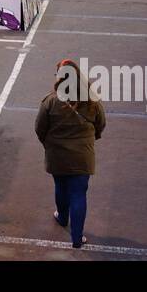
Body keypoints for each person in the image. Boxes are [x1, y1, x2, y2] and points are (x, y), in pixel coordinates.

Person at [35, 60, 106, 250]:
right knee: (78, 194)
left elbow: (39, 128)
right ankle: (77, 238)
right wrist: (89, 140)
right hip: (83, 157)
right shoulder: (92, 100)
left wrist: (49, 145)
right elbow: (101, 124)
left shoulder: (50, 101)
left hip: (57, 156)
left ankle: (62, 217)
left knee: (60, 186)